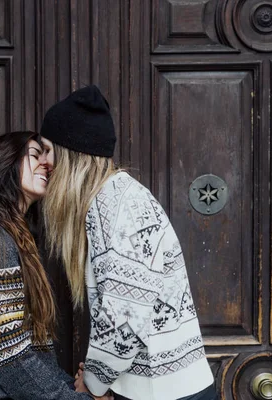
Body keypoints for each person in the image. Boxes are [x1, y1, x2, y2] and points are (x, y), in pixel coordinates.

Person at [40, 86, 218, 400]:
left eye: (48, 150)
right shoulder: (109, 201)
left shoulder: (119, 206)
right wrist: (99, 379)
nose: (45, 163)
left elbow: (124, 324)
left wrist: (92, 385)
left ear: (68, 153)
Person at [0, 131, 112, 400]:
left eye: (46, 155)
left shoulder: (11, 238)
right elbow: (10, 359)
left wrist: (73, 388)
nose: (47, 163)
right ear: (4, 164)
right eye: (34, 155)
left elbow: (33, 355)